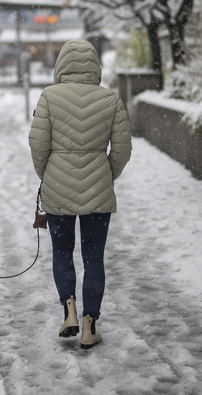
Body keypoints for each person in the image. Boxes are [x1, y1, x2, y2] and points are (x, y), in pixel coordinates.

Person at [28, 39, 132, 349]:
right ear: (96, 67)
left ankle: (69, 311)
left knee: (61, 251)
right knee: (94, 258)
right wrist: (106, 174)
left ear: (61, 66)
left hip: (57, 187)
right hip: (98, 190)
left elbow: (37, 146)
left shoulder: (49, 97)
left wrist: (48, 175)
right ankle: (90, 326)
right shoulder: (110, 99)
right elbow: (123, 149)